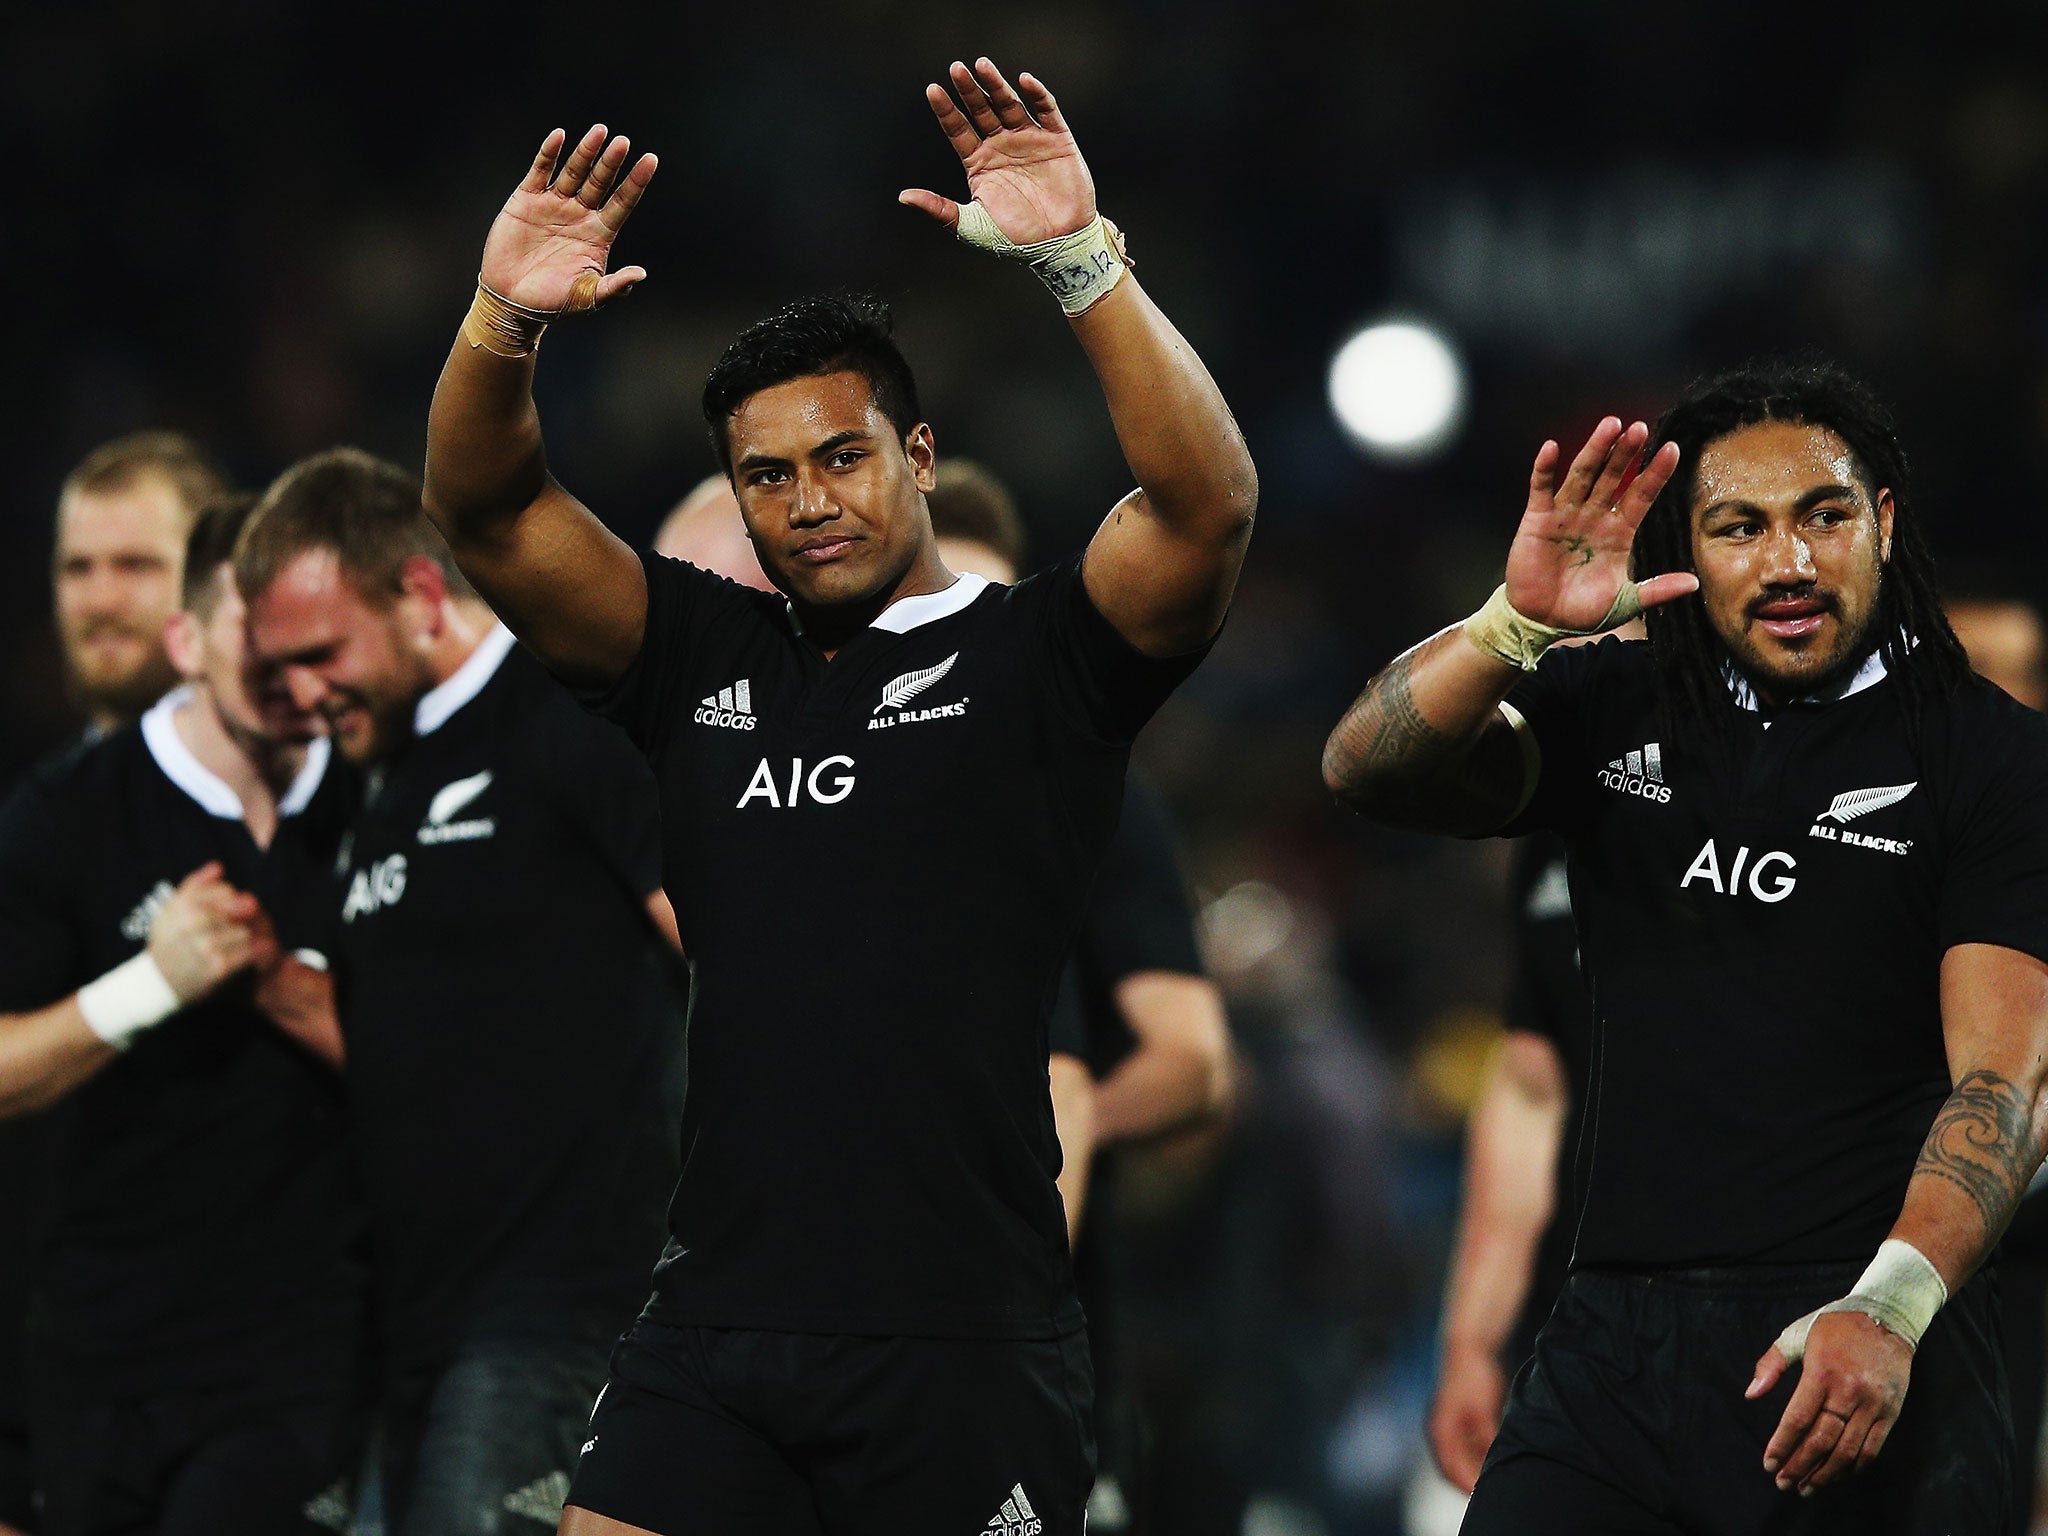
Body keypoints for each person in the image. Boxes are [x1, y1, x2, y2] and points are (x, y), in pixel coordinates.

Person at [418, 54, 1256, 1536]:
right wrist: (502, 325)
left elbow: (1207, 506)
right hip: (715, 1332)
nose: (809, 499)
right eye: (767, 476)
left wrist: (1080, 261)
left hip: (966, 1337)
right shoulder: (695, 658)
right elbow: (484, 507)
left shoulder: (1039, 660)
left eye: (843, 457)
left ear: (921, 459)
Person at [1322, 360, 2048, 1534]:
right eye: (1738, 528)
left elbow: (2002, 1082)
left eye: (1822, 515)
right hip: (1609, 1348)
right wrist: (1509, 629)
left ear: (1882, 525)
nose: (1787, 563)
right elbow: (1362, 767)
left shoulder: (1989, 759)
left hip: (1850, 1342)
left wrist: (1890, 1308)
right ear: (1690, 551)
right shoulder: (1613, 699)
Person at [235, 448, 681, 1536]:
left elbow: (733, 952)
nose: (300, 694)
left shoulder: (568, 716)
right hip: (408, 1320)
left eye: (321, 654)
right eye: (278, 668)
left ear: (422, 596)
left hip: (565, 1306)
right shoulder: (356, 778)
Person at [0, 496, 369, 1536]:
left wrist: (289, 985)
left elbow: (458, 1065)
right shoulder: (65, 814)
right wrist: (147, 986)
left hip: (300, 1356)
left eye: (316, 645)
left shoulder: (381, 796)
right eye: (263, 645)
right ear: (187, 640)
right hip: (98, 1355)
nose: (296, 676)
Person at [1425, 832, 1585, 1498]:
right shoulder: (1555, 845)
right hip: (1582, 1330)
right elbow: (1532, 1084)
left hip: (1782, 1318)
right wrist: (1472, 1342)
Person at [52, 432, 229, 735]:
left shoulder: (321, 778)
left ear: (213, 577)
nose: (101, 602)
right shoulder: (44, 783)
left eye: (136, 566)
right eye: (78, 568)